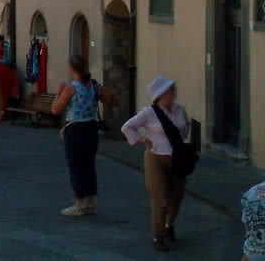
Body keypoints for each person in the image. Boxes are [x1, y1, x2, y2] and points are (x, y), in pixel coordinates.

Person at [121, 75, 191, 252]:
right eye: (171, 90)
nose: (174, 93)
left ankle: (169, 226)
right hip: (155, 158)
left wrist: (180, 143)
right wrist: (142, 140)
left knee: (177, 195)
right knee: (160, 198)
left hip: (176, 158)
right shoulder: (149, 112)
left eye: (173, 89)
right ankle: (158, 236)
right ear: (161, 94)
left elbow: (185, 128)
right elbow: (127, 127)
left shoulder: (180, 110)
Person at [51, 55, 114, 217]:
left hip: (76, 128)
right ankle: (90, 202)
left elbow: (56, 110)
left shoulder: (70, 88)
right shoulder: (94, 85)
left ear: (72, 68)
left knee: (76, 165)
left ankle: (79, 203)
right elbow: (109, 98)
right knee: (89, 165)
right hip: (91, 127)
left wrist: (58, 93)